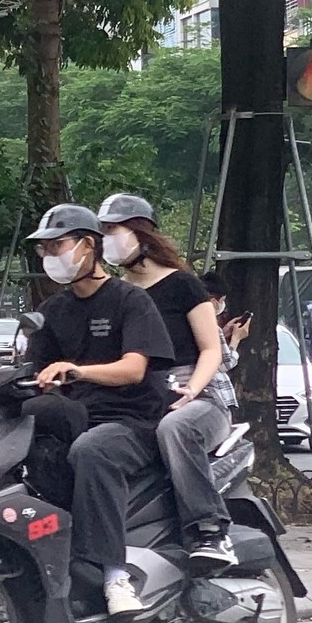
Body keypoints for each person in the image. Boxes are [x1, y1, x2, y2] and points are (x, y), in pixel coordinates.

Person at [20, 203, 176, 616]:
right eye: (44, 250)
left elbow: (134, 369)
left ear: (89, 246)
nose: (50, 256)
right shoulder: (54, 310)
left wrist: (76, 371)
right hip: (80, 419)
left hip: (132, 421)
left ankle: (114, 575)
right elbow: (34, 371)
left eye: (58, 245)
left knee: (92, 451)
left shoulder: (131, 300)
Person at [98, 193, 236, 567]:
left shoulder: (183, 286)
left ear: (141, 233)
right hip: (141, 402)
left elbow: (212, 349)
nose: (107, 239)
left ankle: (210, 531)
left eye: (114, 230)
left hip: (197, 398)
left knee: (175, 428)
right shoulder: (114, 295)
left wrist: (192, 390)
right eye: (102, 232)